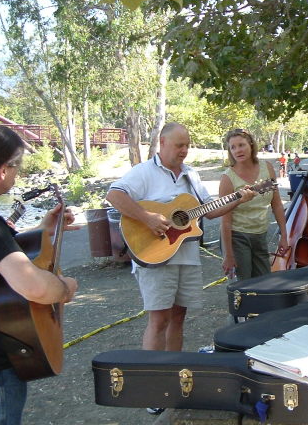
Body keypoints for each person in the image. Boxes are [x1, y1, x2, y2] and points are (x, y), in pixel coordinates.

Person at [106, 123, 255, 415]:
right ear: (162, 142)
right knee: (158, 320)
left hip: (185, 256)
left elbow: (207, 210)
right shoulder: (143, 172)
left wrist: (237, 198)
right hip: (154, 257)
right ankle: (152, 388)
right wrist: (148, 218)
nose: (184, 150)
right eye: (179, 145)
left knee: (178, 317)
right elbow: (114, 195)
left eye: (187, 145)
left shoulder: (190, 175)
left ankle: (174, 380)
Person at [0, 124, 78, 424]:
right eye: (17, 167)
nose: (17, 174)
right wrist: (63, 288)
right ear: (3, 169)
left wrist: (43, 232)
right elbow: (34, 287)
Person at [220, 129, 288, 280]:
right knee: (245, 286)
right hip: (238, 237)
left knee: (264, 282)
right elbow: (225, 220)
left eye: (241, 145)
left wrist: (284, 235)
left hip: (260, 235)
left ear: (251, 144)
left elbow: (276, 204)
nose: (238, 150)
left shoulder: (267, 168)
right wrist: (228, 255)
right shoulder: (228, 178)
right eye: (233, 147)